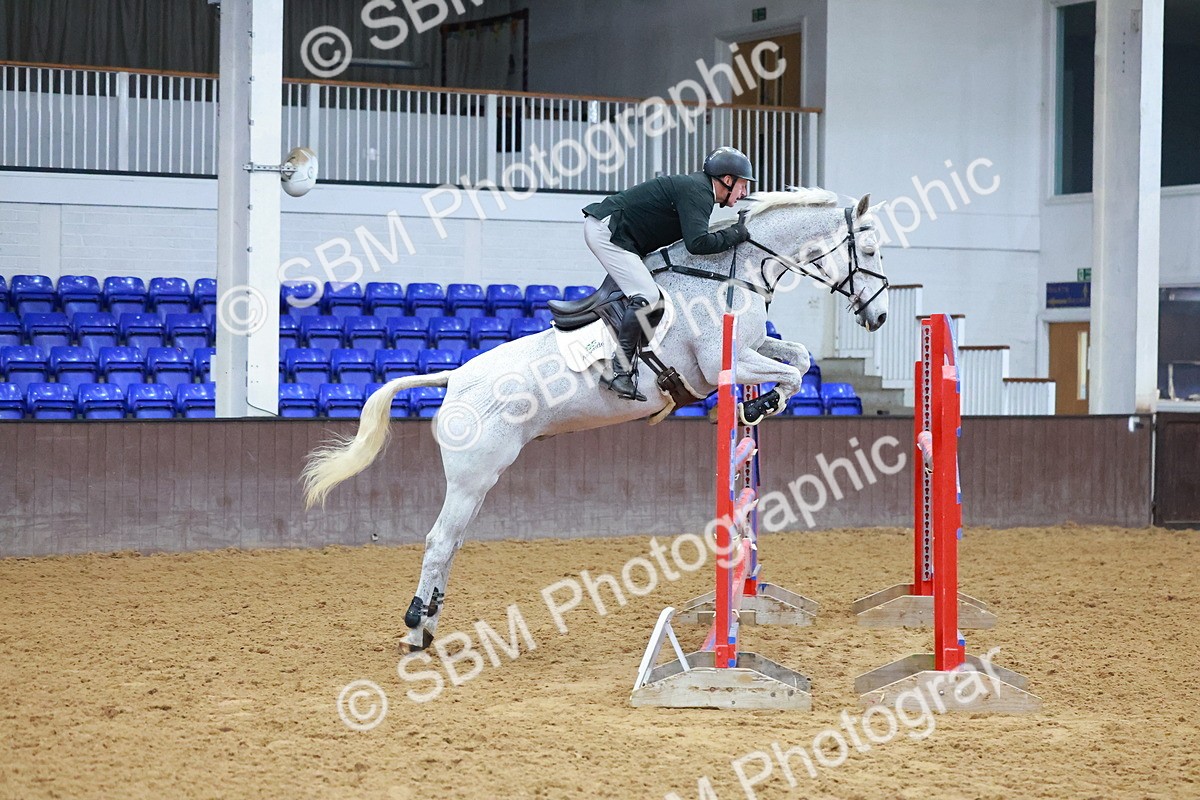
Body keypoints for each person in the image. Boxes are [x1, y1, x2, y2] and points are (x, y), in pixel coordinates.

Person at [579, 146, 755, 401]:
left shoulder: (699, 190)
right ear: (727, 180)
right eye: (742, 185)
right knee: (648, 295)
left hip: (617, 232)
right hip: (609, 231)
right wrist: (736, 233)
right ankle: (620, 372)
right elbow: (698, 244)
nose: (744, 192)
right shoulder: (699, 192)